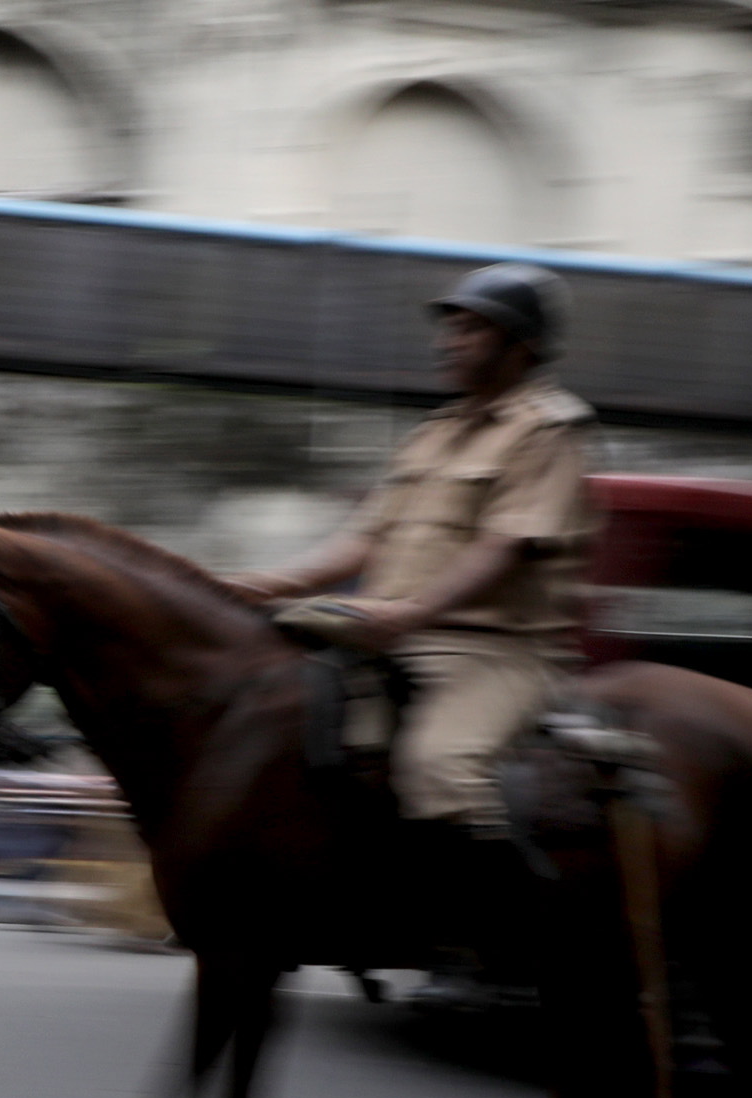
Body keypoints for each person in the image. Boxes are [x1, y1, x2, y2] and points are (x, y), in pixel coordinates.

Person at [225, 262, 602, 922]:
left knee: (441, 765)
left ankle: (509, 924)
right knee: (280, 721)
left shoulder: (549, 432)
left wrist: (409, 614)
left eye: (471, 328)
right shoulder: (433, 431)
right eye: (449, 326)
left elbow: (506, 545)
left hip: (494, 650)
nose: (449, 341)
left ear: (523, 346)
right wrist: (262, 584)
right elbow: (363, 540)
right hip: (386, 629)